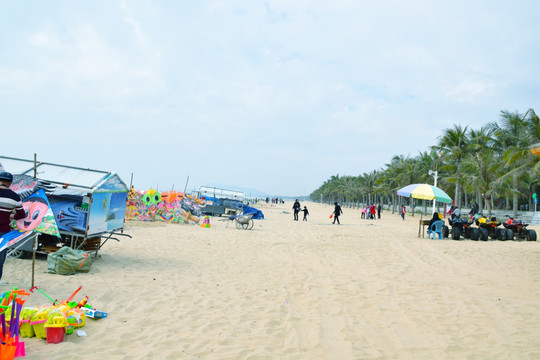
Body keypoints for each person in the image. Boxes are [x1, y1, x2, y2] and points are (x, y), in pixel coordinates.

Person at [0, 172, 26, 281]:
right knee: (0, 261)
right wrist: (11, 216)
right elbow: (22, 215)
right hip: (4, 233)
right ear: (10, 183)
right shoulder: (15, 197)